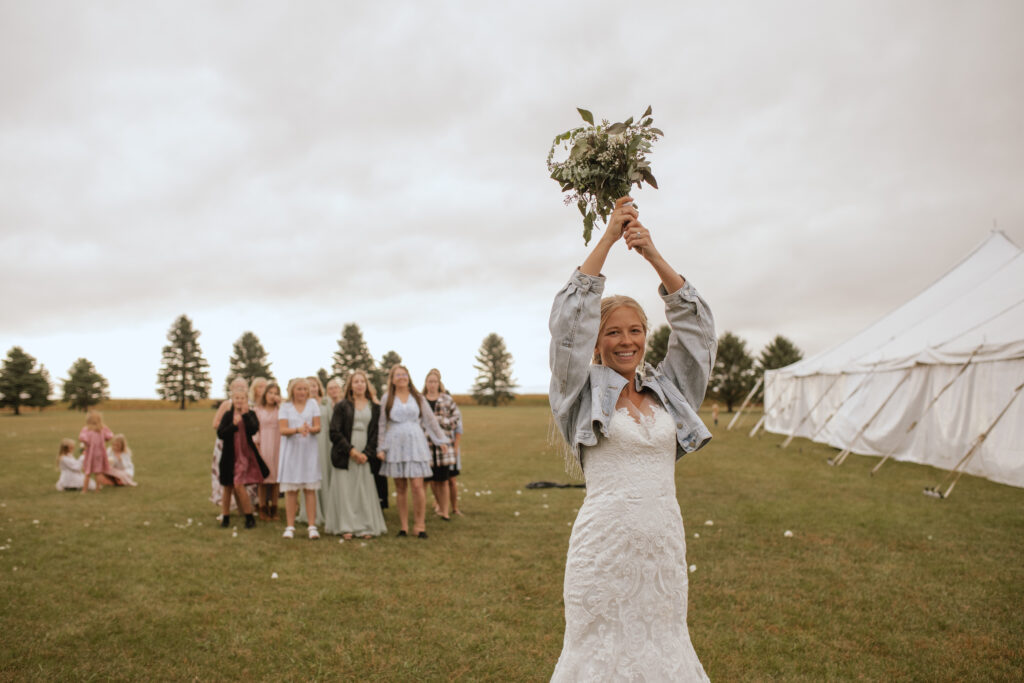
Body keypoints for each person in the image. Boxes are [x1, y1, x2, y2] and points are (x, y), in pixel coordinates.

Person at [548, 196, 716, 681]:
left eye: (636, 330)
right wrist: (608, 236)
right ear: (598, 342)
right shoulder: (578, 393)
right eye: (614, 333)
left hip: (663, 546)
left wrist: (652, 254)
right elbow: (567, 327)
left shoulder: (671, 391)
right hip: (603, 551)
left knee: (663, 648)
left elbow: (698, 334)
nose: (627, 341)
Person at [377, 364, 449, 539]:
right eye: (398, 375)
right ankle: (403, 527)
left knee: (417, 486)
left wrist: (440, 440)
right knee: (401, 487)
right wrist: (381, 447)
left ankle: (420, 525)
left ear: (408, 377)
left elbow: (430, 420)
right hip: (394, 444)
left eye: (404, 374)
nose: (401, 377)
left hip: (415, 443)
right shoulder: (388, 398)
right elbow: (381, 424)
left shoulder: (417, 397)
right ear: (392, 379)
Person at [326, 370, 388, 539]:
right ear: (350, 386)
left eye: (362, 381)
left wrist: (366, 454)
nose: (359, 384)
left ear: (366, 385)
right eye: (356, 381)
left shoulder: (374, 408)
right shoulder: (342, 406)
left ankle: (365, 526)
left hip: (365, 454)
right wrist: (352, 451)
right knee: (346, 490)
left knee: (363, 489)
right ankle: (347, 526)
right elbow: (334, 432)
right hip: (346, 453)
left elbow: (376, 433)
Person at [217, 389, 269, 529]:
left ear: (246, 400)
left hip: (245, 456)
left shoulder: (250, 414)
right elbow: (221, 433)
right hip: (230, 456)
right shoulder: (228, 415)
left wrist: (245, 416)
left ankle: (249, 517)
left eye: (242, 398)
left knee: (238, 485)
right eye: (236, 398)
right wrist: (233, 425)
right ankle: (226, 516)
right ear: (232, 400)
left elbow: (253, 429)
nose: (239, 401)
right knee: (228, 486)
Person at [277, 378, 322, 540]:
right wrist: (297, 429)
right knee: (291, 490)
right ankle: (290, 526)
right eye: (299, 389)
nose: (302, 392)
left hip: (309, 451)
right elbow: (282, 429)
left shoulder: (313, 405)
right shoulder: (285, 406)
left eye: (305, 389)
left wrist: (310, 429)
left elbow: (318, 427)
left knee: (310, 489)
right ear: (292, 391)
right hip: (292, 451)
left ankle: (312, 526)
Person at [421, 369, 463, 520]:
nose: (432, 384)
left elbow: (456, 418)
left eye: (435, 382)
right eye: (429, 381)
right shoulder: (420, 400)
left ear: (439, 383)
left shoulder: (446, 400)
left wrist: (440, 423)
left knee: (443, 480)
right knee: (430, 480)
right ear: (426, 384)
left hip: (443, 445)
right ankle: (434, 507)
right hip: (425, 444)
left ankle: (445, 512)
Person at [210, 377, 249, 508]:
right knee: (226, 477)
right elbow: (216, 424)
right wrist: (231, 426)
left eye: (242, 387)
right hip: (226, 444)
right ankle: (226, 505)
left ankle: (244, 505)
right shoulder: (227, 405)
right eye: (236, 387)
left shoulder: (248, 406)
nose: (240, 389)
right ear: (231, 389)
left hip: (243, 445)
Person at [254, 381, 283, 520]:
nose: (272, 396)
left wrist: (281, 402)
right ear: (265, 394)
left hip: (278, 444)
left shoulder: (281, 409)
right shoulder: (258, 410)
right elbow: (255, 429)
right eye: (270, 393)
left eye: (275, 393)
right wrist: (257, 444)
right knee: (263, 479)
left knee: (276, 478)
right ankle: (262, 507)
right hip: (264, 444)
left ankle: (274, 507)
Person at [78, 411, 114, 494]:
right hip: (100, 454)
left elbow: (82, 438)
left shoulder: (86, 429)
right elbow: (110, 436)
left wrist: (85, 444)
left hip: (90, 454)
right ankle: (97, 489)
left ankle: (84, 490)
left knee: (88, 472)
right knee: (98, 472)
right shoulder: (102, 429)